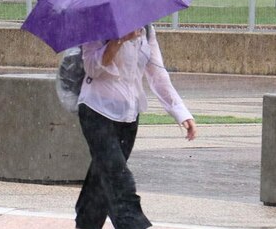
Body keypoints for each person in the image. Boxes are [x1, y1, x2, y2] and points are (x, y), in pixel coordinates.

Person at [75, 25, 196, 229]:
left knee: (102, 180)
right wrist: (118, 40)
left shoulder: (147, 29)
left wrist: (180, 111)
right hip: (96, 113)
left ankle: (86, 224)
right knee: (119, 179)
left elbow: (157, 73)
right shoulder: (96, 23)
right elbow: (92, 68)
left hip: (129, 118)